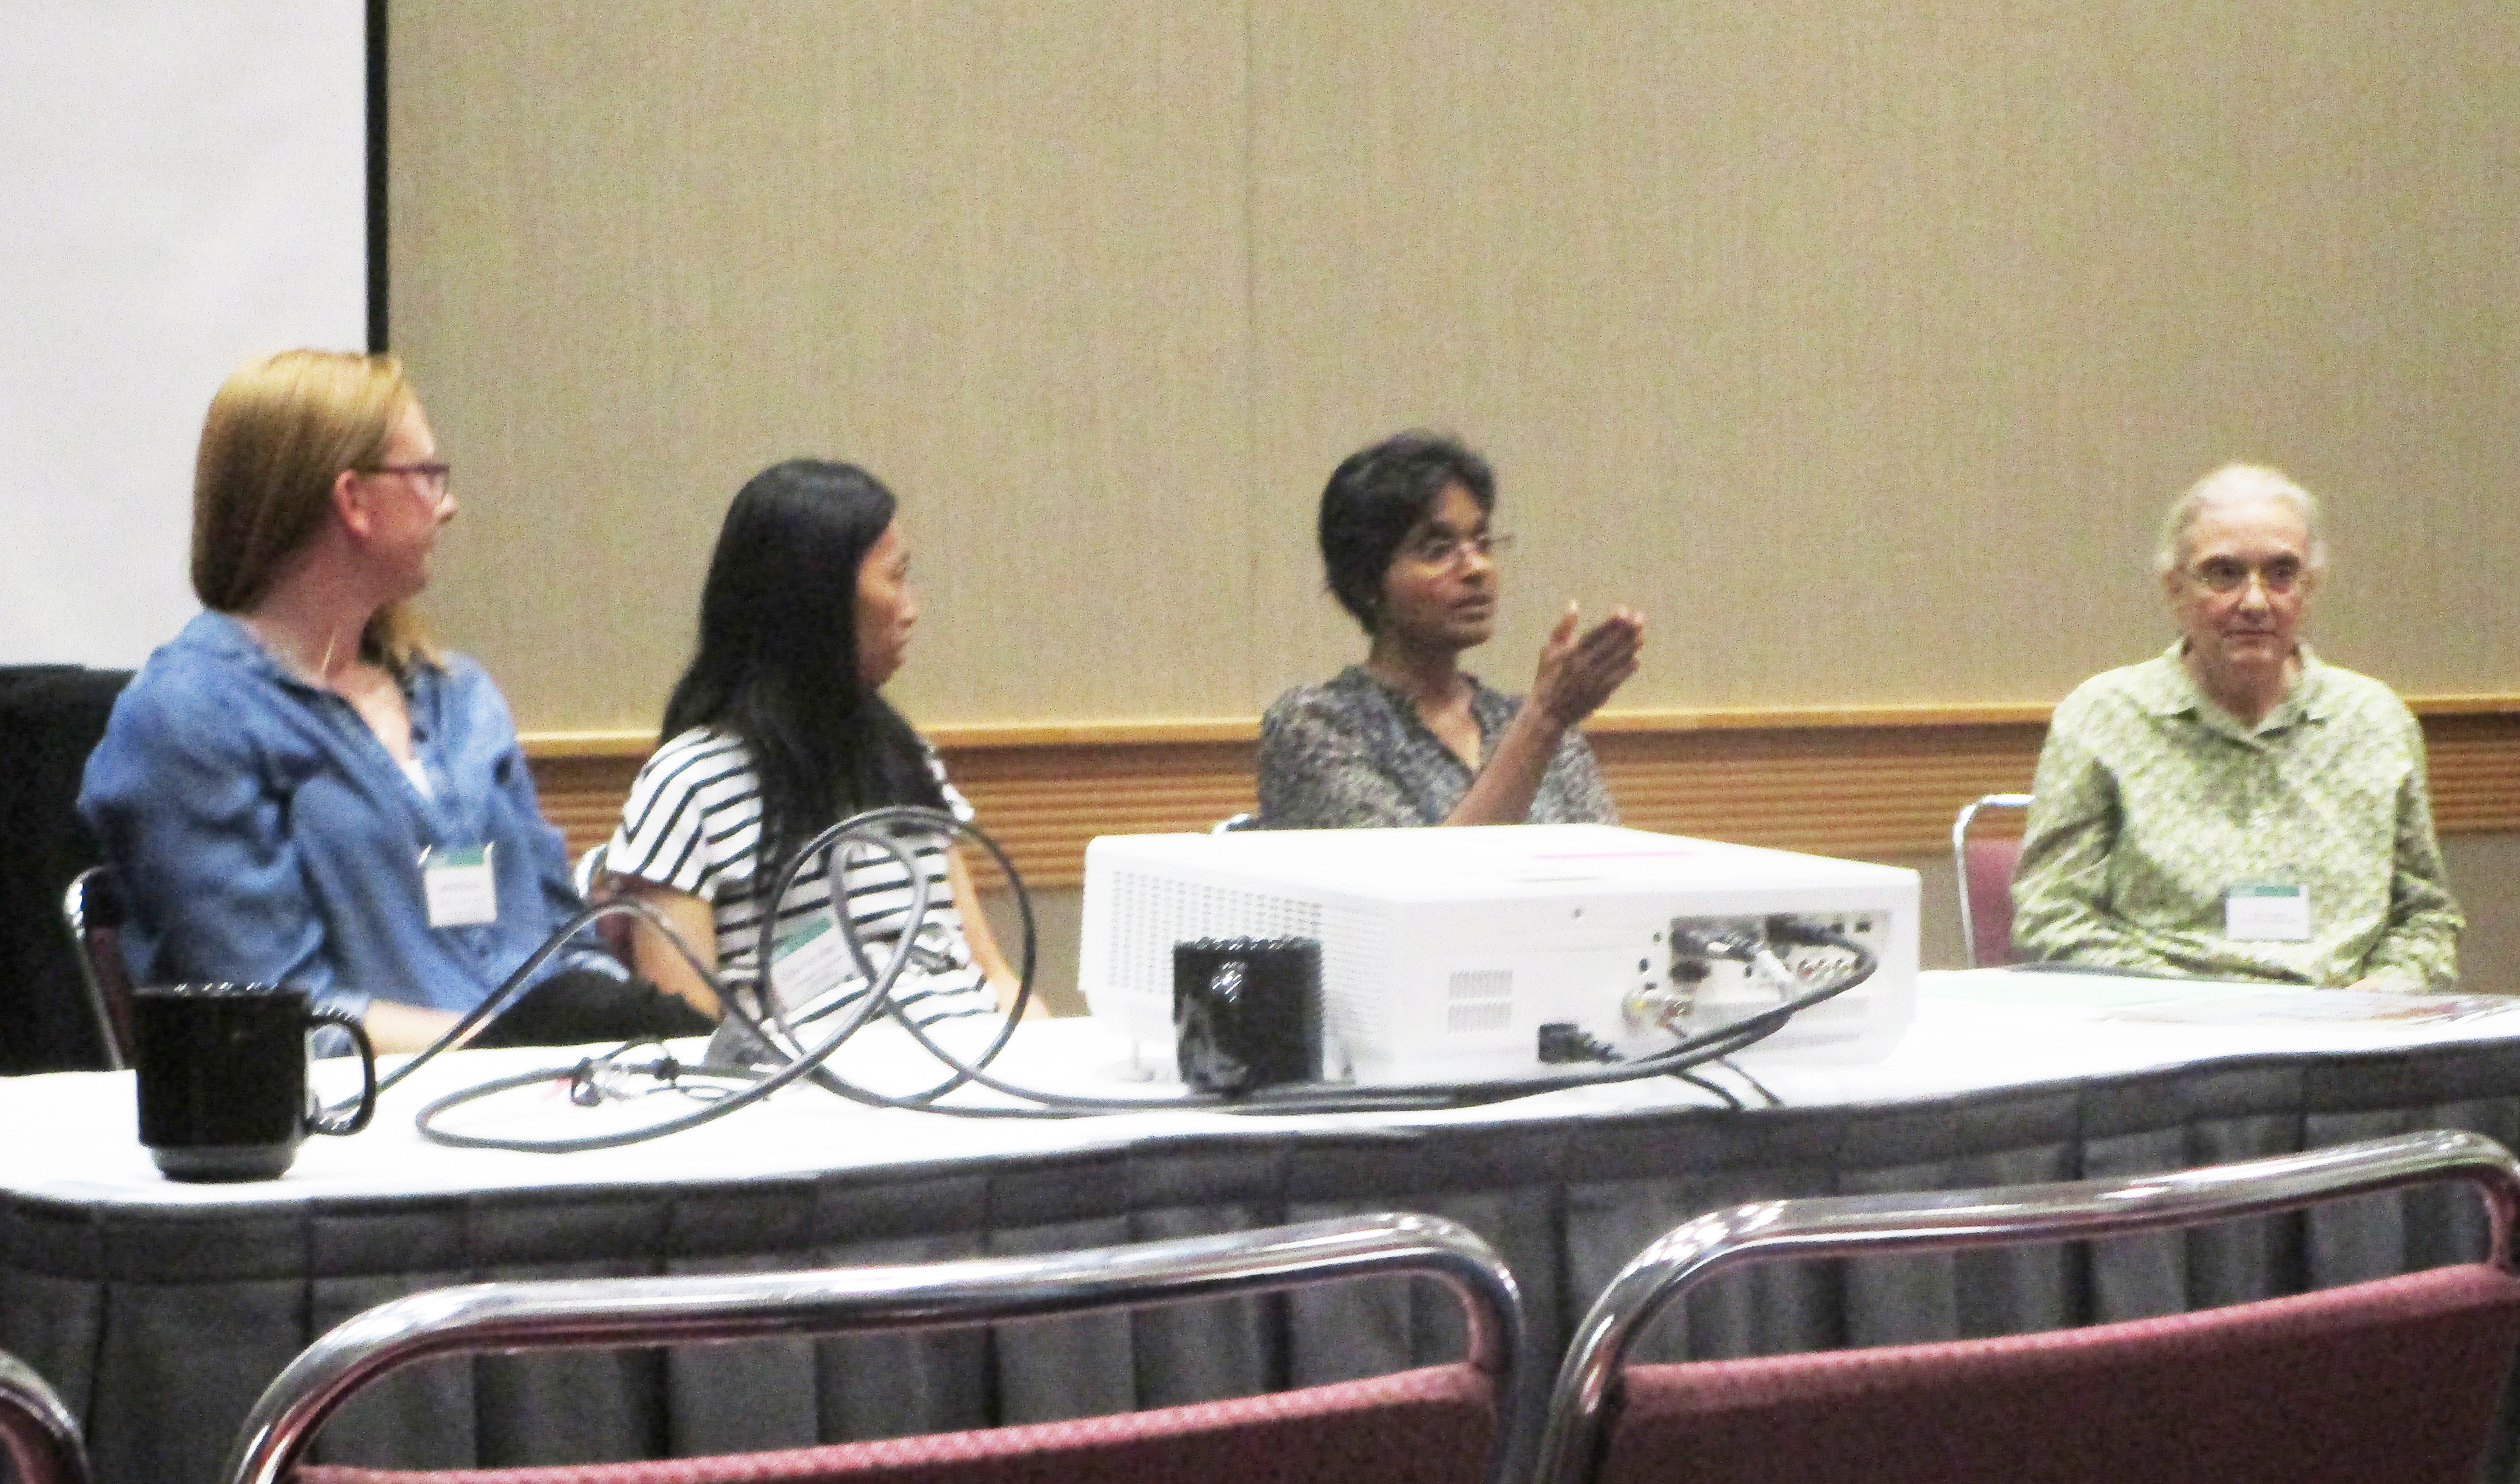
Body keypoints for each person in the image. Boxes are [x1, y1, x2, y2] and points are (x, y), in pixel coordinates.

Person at [79, 350, 710, 1050]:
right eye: (427, 476)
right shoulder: (188, 719)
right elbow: (274, 1017)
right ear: (352, 501)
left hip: (546, 1099)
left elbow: (564, 947)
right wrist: (516, 1045)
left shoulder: (459, 698)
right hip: (355, 1127)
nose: (449, 505)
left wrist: (611, 1032)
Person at [604, 459, 1027, 1035]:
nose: (911, 609)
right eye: (895, 578)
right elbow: (681, 1041)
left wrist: (1043, 1066)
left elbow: (994, 978)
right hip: (819, 1104)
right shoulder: (686, 788)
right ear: (818, 602)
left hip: (975, 1071)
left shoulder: (905, 758)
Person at [2010, 463, 2462, 989]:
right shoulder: (2103, 717)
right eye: (2225, 574)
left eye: (2281, 573)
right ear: (2175, 589)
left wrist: (2383, 993)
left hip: (2348, 1037)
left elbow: (2427, 919)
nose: (2254, 601)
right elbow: (2051, 919)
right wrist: (2206, 1010)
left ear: (2309, 589)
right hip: (2171, 1039)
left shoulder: (2374, 721)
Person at [1258, 431, 1644, 829]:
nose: (1476, 568)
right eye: (1437, 549)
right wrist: (1542, 722)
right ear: (1365, 583)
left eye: (1482, 542)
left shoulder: (1523, 718)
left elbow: (1603, 862)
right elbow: (1418, 882)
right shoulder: (1318, 726)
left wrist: (1547, 720)